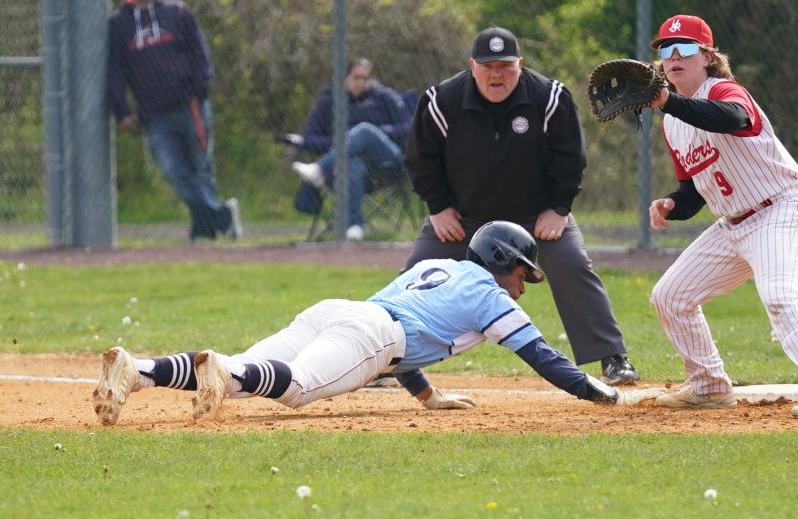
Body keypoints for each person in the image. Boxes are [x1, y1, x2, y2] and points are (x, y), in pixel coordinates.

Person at [92, 221, 635, 426]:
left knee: (246, 371)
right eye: (522, 271)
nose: (523, 283)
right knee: (295, 389)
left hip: (339, 312)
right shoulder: (491, 296)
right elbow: (545, 359)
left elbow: (405, 325)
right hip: (373, 334)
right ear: (501, 261)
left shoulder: (436, 265)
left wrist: (426, 398)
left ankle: (136, 371)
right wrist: (605, 396)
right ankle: (217, 371)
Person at [644, 14, 798, 417]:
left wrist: (668, 102)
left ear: (707, 56)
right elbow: (693, 191)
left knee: (780, 296)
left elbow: (733, 118)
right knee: (670, 296)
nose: (673, 57)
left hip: (780, 209)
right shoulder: (673, 122)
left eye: (685, 48)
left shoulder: (725, 90)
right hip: (731, 227)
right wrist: (672, 204)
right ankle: (709, 387)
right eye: (665, 49)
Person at [403, 26, 639, 386]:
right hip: (464, 218)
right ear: (471, 66)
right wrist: (438, 208)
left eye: (505, 66)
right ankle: (390, 359)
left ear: (520, 64)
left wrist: (559, 209)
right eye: (487, 66)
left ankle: (612, 357)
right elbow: (421, 160)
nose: (496, 74)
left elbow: (570, 158)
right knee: (418, 274)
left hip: (536, 216)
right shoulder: (441, 101)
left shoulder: (549, 98)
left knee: (571, 263)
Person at [107, 0, 241, 242]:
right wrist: (121, 110)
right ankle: (223, 215)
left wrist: (199, 89)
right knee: (172, 170)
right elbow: (115, 70)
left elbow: (200, 55)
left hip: (189, 105)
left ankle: (203, 229)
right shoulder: (119, 23)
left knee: (200, 168)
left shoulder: (177, 12)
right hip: (153, 114)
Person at [284, 58, 412, 241]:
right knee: (352, 165)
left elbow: (409, 127)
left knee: (365, 130)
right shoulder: (330, 102)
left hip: (387, 163)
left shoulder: (384, 97)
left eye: (366, 78)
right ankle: (354, 226)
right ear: (344, 78)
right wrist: (344, 143)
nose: (361, 82)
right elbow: (309, 138)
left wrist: (379, 132)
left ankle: (319, 169)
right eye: (356, 77)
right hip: (350, 168)